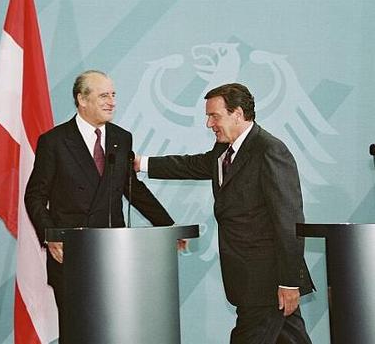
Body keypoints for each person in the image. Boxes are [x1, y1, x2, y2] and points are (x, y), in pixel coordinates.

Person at [136, 83, 314, 343]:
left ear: (238, 114)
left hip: (265, 280)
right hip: (248, 278)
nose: (209, 124)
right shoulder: (224, 149)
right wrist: (142, 163)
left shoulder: (270, 150)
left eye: (214, 116)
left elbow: (289, 222)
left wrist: (289, 282)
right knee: (290, 337)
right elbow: (193, 165)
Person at [24, 70, 175, 343]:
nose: (112, 101)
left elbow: (132, 189)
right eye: (104, 95)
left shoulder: (121, 137)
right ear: (82, 99)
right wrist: (52, 236)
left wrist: (168, 227)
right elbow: (34, 195)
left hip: (115, 254)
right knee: (78, 333)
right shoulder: (54, 141)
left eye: (113, 94)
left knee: (115, 331)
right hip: (72, 255)